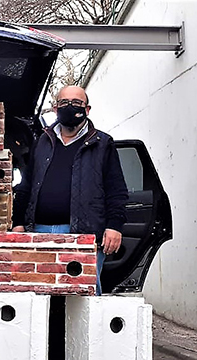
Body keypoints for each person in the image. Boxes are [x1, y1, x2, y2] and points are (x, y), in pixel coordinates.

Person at [12, 85, 128, 295]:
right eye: (64, 103)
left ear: (88, 109)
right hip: (39, 231)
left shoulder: (102, 144)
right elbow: (26, 185)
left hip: (84, 234)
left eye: (76, 103)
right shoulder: (42, 143)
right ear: (56, 108)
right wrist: (18, 223)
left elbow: (116, 190)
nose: (70, 107)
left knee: (85, 297)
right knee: (38, 295)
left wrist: (114, 225)